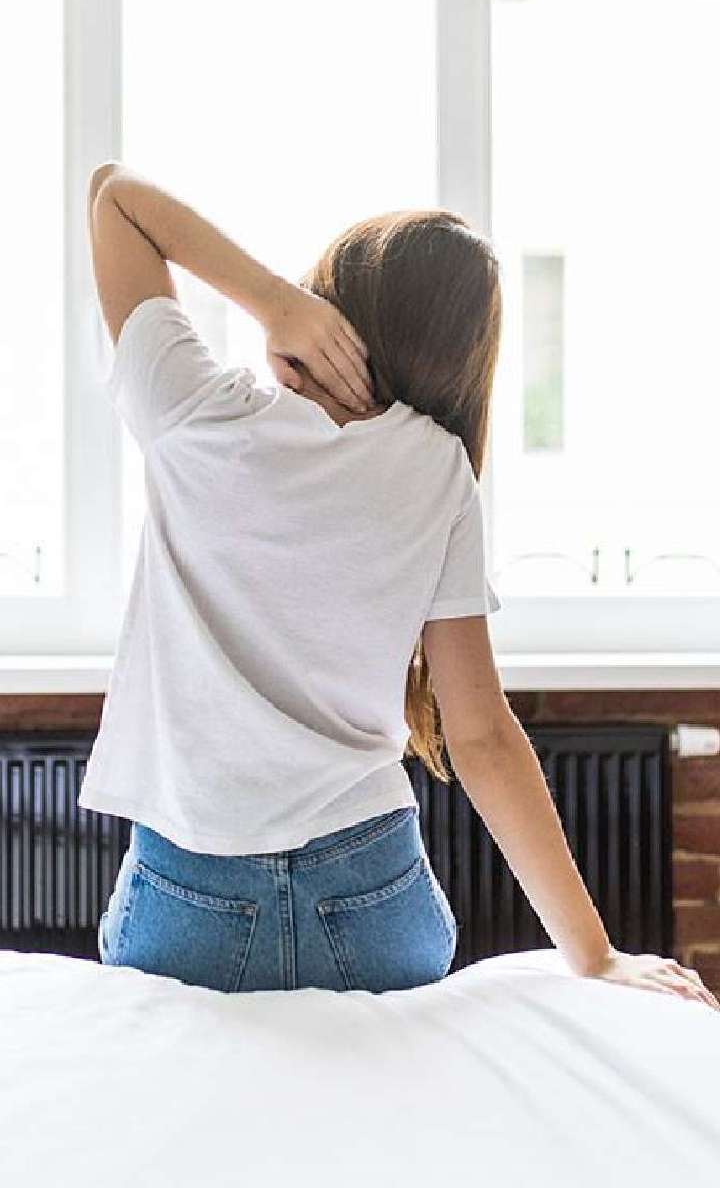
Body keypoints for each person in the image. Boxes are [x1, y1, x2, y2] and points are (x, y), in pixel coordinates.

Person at [81, 162, 718, 1010]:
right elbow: (482, 737)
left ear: (332, 308)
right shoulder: (439, 470)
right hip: (374, 900)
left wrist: (273, 302)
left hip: (192, 895)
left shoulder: (198, 413)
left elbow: (115, 197)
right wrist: (595, 956)